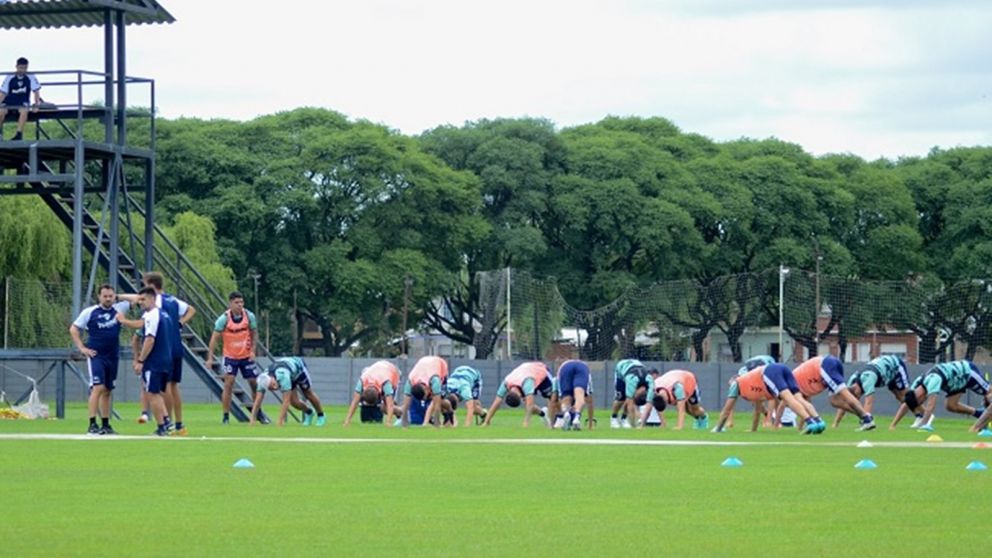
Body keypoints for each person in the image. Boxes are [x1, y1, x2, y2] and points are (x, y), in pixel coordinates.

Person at [120, 272, 196, 435]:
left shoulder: (154, 306)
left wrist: (120, 304)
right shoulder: (173, 300)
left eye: (144, 285)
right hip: (175, 347)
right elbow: (191, 309)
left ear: (151, 287)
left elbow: (144, 324)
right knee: (173, 386)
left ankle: (164, 422)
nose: (140, 298)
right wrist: (181, 323)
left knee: (160, 389)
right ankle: (179, 423)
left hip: (162, 350)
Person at [70, 284, 131, 435]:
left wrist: (119, 297)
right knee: (97, 387)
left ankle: (105, 424)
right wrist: (82, 348)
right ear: (99, 296)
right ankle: (92, 424)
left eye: (111, 296)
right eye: (105, 296)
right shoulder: (90, 312)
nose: (108, 299)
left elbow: (138, 298)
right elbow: (74, 329)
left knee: (108, 390)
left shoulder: (119, 309)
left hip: (113, 355)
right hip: (97, 355)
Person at [712, 364, 826, 434]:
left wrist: (718, 428)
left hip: (770, 371)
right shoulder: (751, 384)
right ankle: (819, 421)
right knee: (798, 398)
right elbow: (757, 410)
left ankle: (810, 422)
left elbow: (727, 410)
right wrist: (753, 430)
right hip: (782, 368)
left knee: (789, 399)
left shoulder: (736, 384)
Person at [126, 287, 175, 436]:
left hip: (155, 360)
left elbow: (149, 339)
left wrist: (141, 360)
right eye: (139, 300)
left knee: (151, 393)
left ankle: (161, 428)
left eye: (144, 299)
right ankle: (167, 421)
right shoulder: (165, 315)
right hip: (166, 358)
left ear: (153, 299)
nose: (141, 303)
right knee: (157, 393)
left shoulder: (151, 315)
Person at [205, 292, 259, 424]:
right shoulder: (224, 319)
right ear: (230, 304)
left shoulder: (249, 316)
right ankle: (225, 416)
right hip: (230, 356)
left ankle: (257, 413)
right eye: (237, 303)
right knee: (229, 384)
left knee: (254, 383)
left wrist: (253, 350)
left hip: (246, 355)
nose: (240, 305)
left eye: (241, 302)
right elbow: (214, 339)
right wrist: (210, 358)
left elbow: (254, 334)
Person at [890, 360, 990, 431]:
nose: (922, 402)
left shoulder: (933, 380)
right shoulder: (916, 386)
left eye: (921, 402)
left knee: (989, 395)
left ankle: (978, 425)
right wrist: (893, 425)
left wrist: (924, 424)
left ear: (919, 398)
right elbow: (907, 403)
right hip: (955, 383)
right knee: (951, 406)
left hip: (967, 373)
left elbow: (931, 405)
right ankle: (979, 414)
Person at [790, 356, 876, 431]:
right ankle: (865, 416)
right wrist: (800, 428)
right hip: (828, 366)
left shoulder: (791, 385)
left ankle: (867, 419)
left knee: (845, 394)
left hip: (824, 366)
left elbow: (794, 404)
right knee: (834, 401)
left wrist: (776, 424)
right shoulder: (799, 388)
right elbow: (806, 406)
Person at [833, 355, 908, 428]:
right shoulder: (851, 381)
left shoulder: (868, 380)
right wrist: (835, 424)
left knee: (906, 398)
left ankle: (918, 416)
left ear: (856, 388)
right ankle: (916, 416)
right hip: (885, 372)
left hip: (896, 366)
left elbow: (869, 402)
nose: (857, 398)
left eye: (856, 396)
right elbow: (845, 402)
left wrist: (866, 422)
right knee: (899, 398)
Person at [251, 357, 325, 426]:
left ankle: (321, 415)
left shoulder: (283, 376)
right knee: (294, 402)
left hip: (299, 369)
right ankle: (309, 412)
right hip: (290, 373)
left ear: (272, 378)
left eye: (273, 384)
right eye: (271, 388)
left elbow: (286, 401)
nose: (275, 387)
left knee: (308, 393)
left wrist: (280, 421)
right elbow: (257, 401)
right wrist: (252, 419)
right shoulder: (262, 381)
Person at [481, 362, 554, 427]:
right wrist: (486, 422)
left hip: (539, 371)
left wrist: (526, 423)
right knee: (528, 404)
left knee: (552, 398)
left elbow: (530, 404)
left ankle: (556, 420)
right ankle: (543, 413)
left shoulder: (527, 383)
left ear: (519, 396)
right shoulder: (506, 383)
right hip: (525, 374)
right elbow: (496, 402)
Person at [641, 369, 707, 430]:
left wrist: (679, 426)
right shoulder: (653, 389)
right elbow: (648, 408)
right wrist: (642, 425)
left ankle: (703, 417)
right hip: (673, 378)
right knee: (688, 410)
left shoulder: (677, 388)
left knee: (694, 409)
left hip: (689, 380)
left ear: (666, 401)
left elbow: (681, 410)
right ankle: (698, 418)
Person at [343, 360, 401, 426]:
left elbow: (390, 405)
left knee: (384, 407)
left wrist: (389, 422)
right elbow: (355, 402)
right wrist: (347, 420)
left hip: (392, 372)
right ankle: (396, 407)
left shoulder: (386, 384)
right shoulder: (362, 381)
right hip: (378, 370)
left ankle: (402, 412)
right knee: (384, 406)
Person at [398, 356, 448, 427]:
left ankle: (447, 416)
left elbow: (437, 404)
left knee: (439, 399)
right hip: (423, 364)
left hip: (440, 365)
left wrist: (437, 423)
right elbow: (406, 405)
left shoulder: (435, 380)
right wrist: (404, 423)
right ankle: (427, 420)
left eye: (426, 395)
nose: (427, 397)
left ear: (425, 389)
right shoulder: (410, 381)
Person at [0, 57, 42, 141]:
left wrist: (36, 104)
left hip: (22, 101)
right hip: (9, 101)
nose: (23, 70)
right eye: (21, 68)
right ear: (16, 67)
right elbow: (3, 93)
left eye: (25, 68)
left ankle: (18, 134)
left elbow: (36, 92)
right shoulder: (10, 77)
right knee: (1, 111)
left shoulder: (31, 76)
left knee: (24, 110)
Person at [611, 359, 652, 429]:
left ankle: (623, 418)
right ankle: (614, 418)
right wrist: (634, 425)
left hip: (636, 366)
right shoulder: (632, 381)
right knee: (621, 399)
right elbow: (630, 404)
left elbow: (649, 405)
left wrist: (642, 423)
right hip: (622, 370)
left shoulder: (650, 383)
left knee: (628, 398)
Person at [551, 360, 590, 431]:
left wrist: (552, 424)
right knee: (580, 396)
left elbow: (555, 400)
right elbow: (590, 401)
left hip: (564, 367)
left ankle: (566, 413)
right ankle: (576, 417)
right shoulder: (587, 373)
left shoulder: (557, 376)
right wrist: (590, 424)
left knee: (566, 397)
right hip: (582, 367)